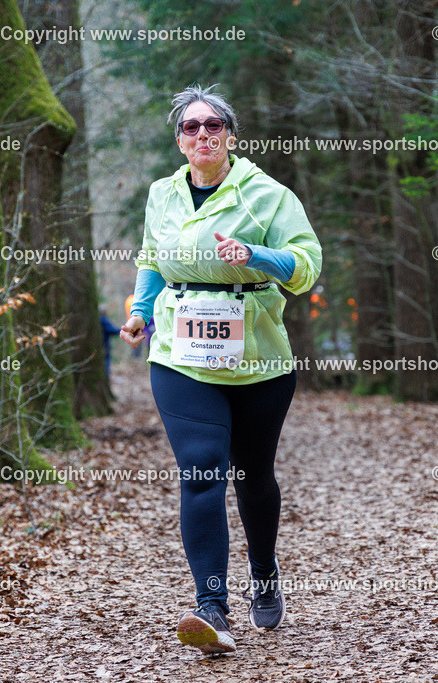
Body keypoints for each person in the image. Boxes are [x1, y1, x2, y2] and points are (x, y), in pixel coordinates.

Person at [120, 84, 322, 654]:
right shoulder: (162, 194)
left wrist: (256, 255)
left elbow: (307, 265)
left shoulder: (268, 195)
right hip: (180, 356)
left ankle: (264, 572)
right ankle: (211, 605)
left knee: (253, 477)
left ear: (231, 136)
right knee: (201, 470)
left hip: (259, 360)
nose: (203, 134)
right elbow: (151, 257)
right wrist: (140, 312)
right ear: (179, 141)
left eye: (214, 126)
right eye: (192, 127)